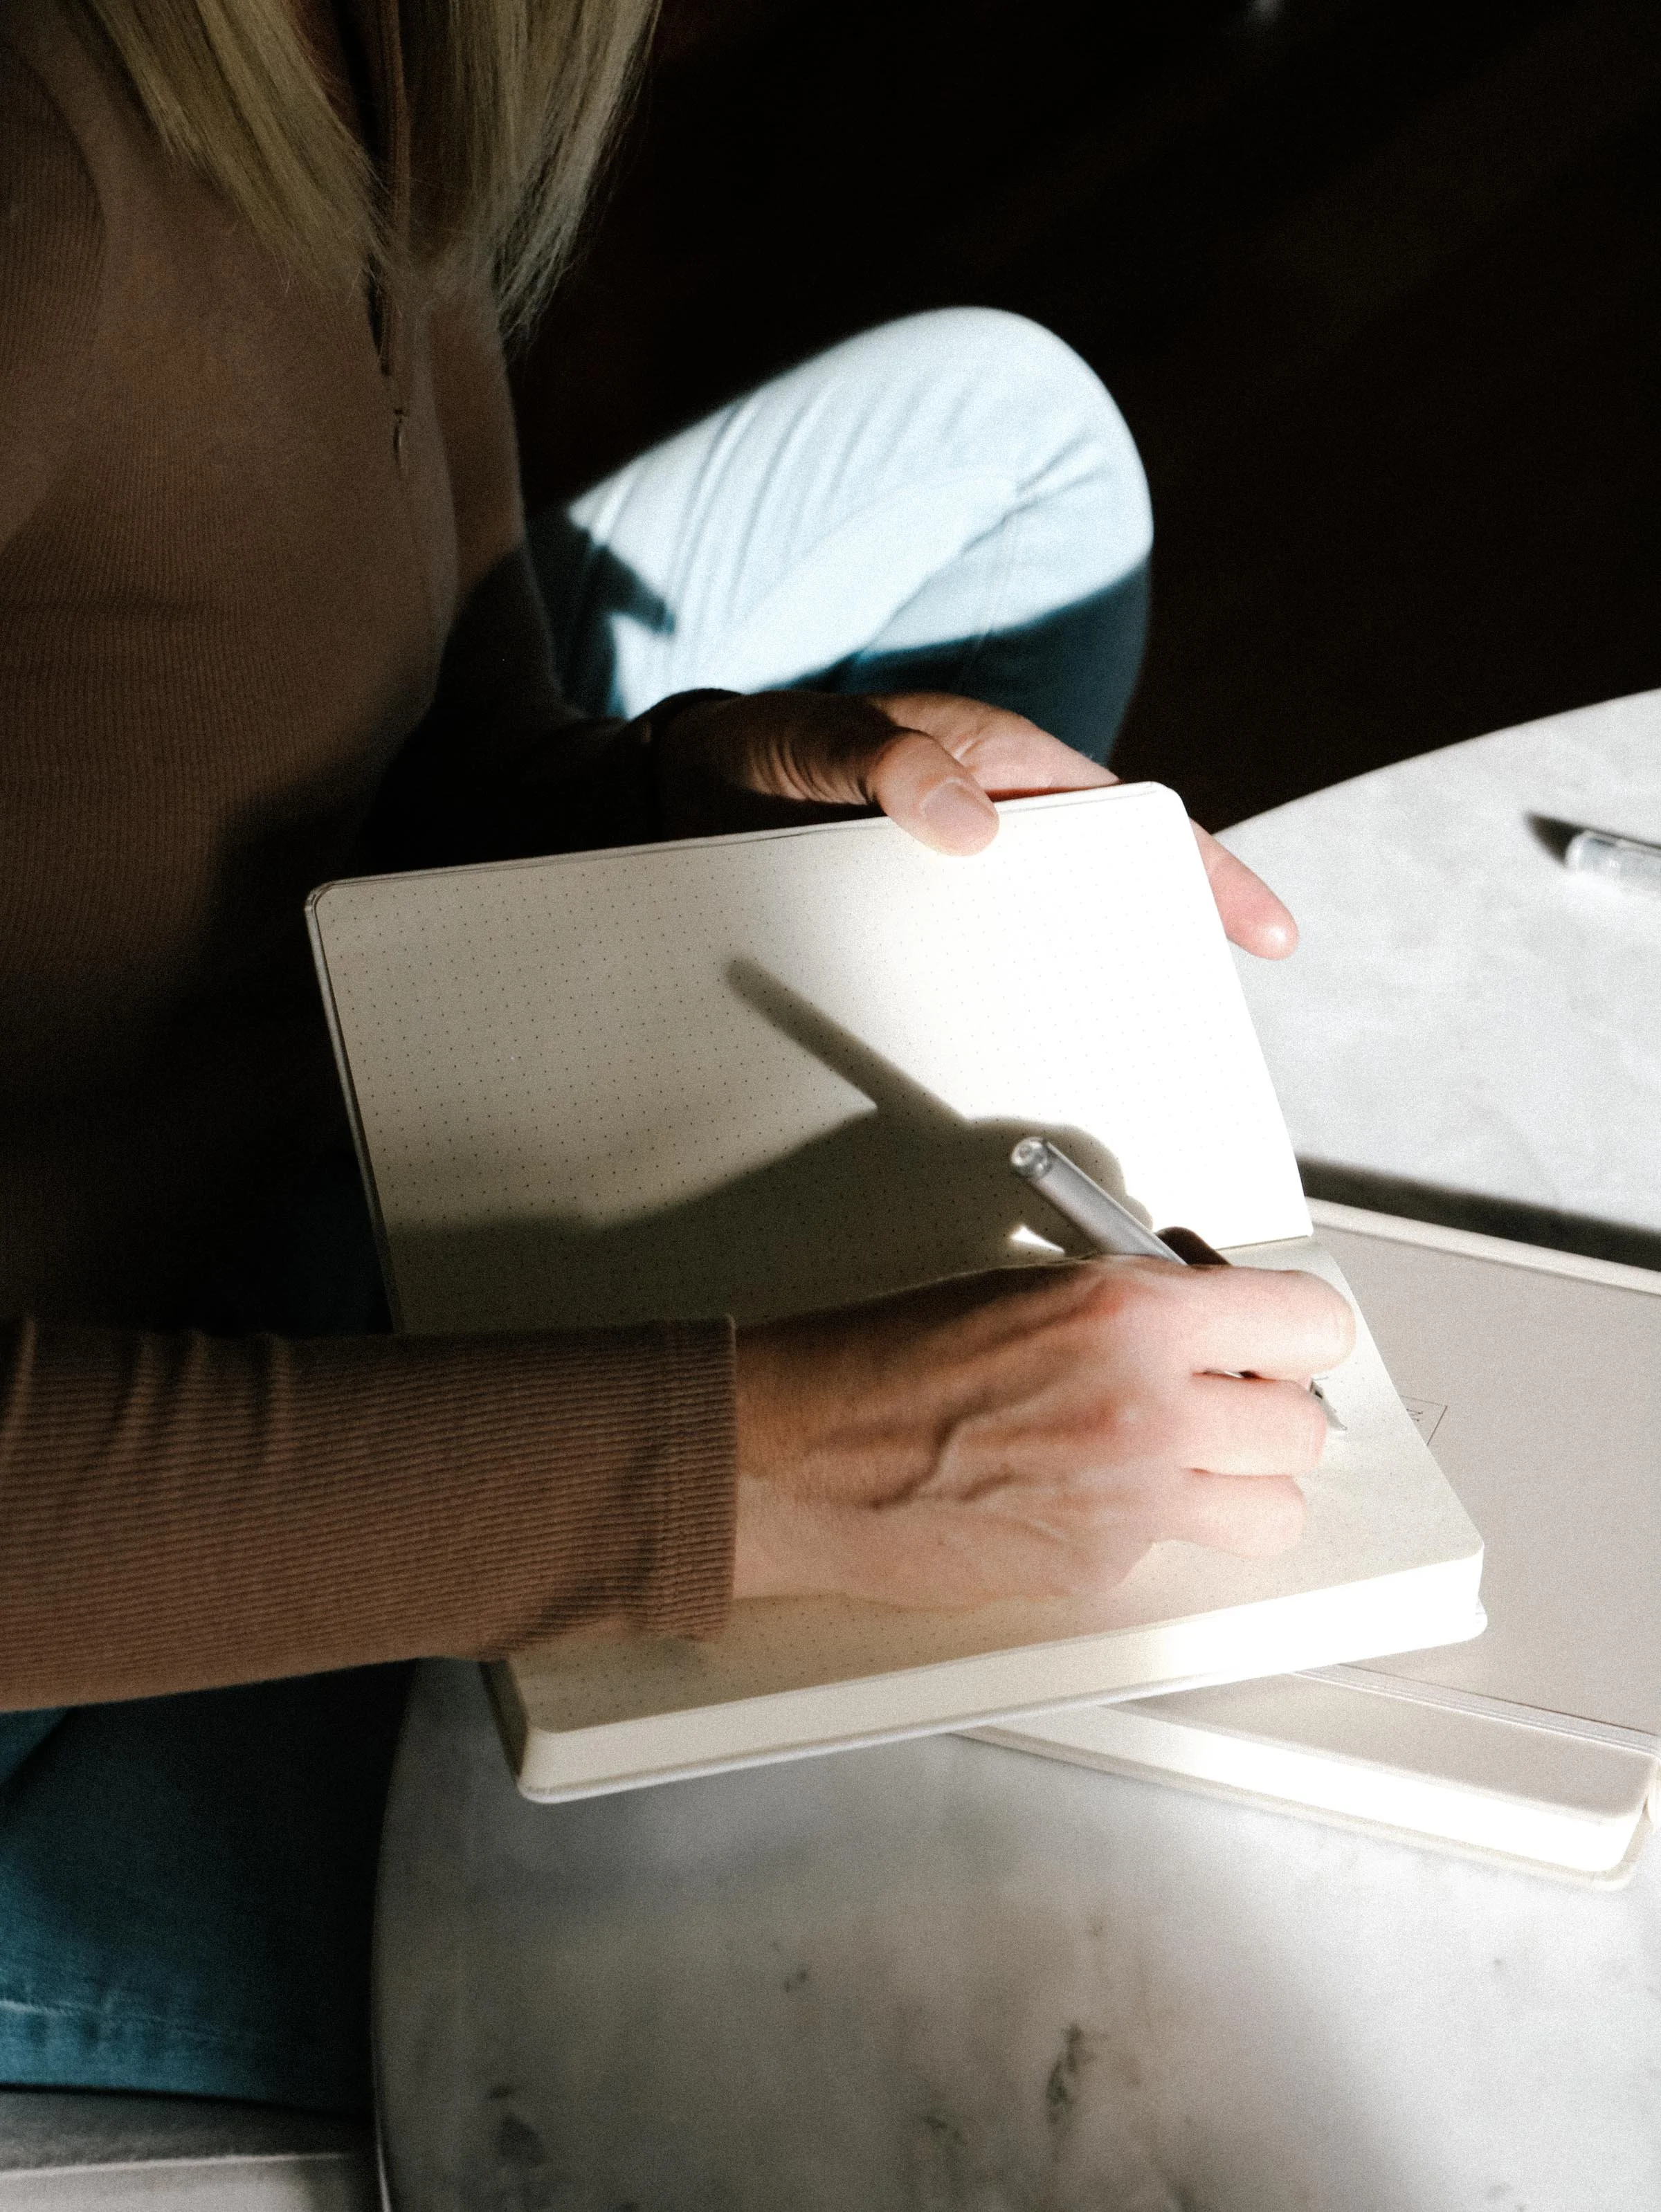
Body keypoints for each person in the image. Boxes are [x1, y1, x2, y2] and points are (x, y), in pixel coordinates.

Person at [0, 0, 1352, 2117]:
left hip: (235, 1118)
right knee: (985, 1985)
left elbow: (420, 746)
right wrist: (794, 1464)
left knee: (1013, 443)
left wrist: (724, 804)